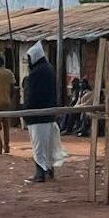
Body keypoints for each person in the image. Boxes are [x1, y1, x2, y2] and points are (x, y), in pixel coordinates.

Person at [21, 42, 69, 183]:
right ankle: (48, 169)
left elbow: (32, 95)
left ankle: (40, 173)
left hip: (37, 115)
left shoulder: (37, 73)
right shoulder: (47, 69)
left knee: (39, 146)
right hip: (47, 114)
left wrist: (26, 110)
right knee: (46, 145)